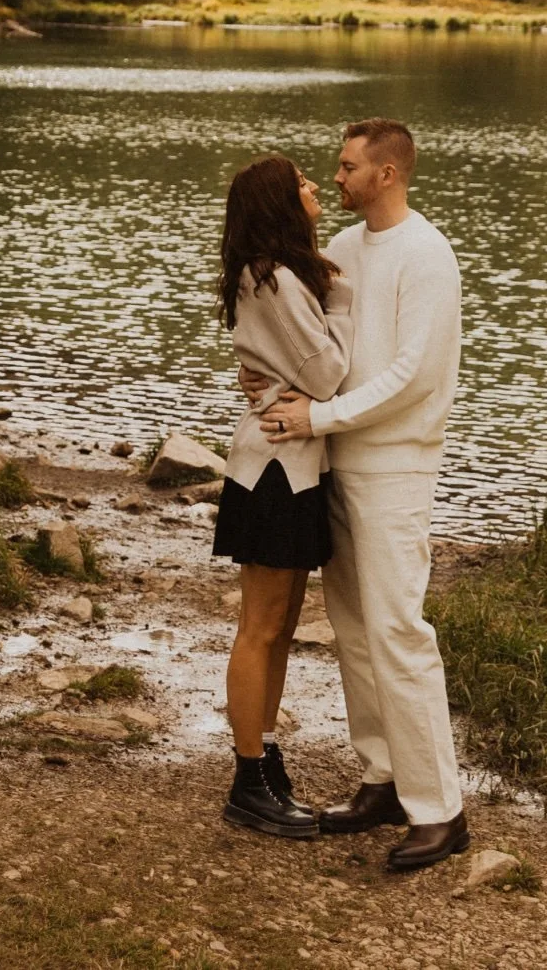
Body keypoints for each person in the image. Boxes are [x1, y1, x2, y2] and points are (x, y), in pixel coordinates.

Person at [254, 116, 467, 874]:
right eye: (336, 168)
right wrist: (267, 378)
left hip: (395, 467)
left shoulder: (428, 255)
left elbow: (410, 375)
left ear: (388, 174)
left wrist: (320, 414)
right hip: (335, 462)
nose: (336, 178)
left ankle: (440, 810)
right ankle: (383, 778)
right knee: (351, 627)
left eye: (347, 168)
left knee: (399, 632)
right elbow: (310, 340)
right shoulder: (342, 250)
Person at [213, 152, 354, 839]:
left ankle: (265, 760)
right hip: (271, 466)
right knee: (261, 628)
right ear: (276, 203)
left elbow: (313, 374)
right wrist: (344, 298)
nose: (311, 186)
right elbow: (328, 373)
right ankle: (247, 781)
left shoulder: (283, 275)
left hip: (291, 464)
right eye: (298, 181)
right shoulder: (269, 279)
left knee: (282, 629)